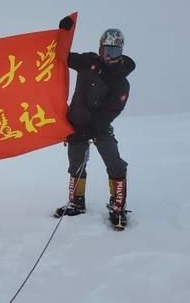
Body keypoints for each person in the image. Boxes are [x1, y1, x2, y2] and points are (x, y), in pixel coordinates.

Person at [54, 17, 136, 230]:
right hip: (76, 125)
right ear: (100, 50)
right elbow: (61, 57)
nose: (110, 56)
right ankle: (76, 203)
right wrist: (64, 33)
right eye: (107, 50)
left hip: (100, 127)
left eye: (115, 52)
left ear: (121, 52)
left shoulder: (121, 82)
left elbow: (111, 111)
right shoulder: (88, 62)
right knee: (76, 164)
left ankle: (118, 207)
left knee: (115, 163)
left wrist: (90, 130)